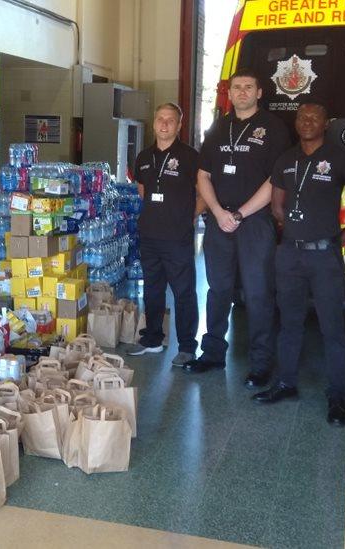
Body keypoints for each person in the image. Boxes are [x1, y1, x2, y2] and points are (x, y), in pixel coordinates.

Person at [253, 103, 345, 426]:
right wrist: (294, 232)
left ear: (326, 123)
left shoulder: (339, 158)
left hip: (324, 256)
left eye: (314, 117)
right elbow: (277, 205)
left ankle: (337, 396)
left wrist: (341, 238)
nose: (307, 122)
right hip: (290, 254)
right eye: (302, 117)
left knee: (332, 327)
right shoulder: (286, 159)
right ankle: (286, 382)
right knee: (289, 323)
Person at [185, 67, 291, 388]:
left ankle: (260, 364)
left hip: (255, 223)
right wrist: (217, 212)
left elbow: (276, 180)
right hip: (219, 222)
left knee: (259, 294)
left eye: (248, 87)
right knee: (218, 290)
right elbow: (203, 175)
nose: (242, 92)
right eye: (236, 87)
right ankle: (213, 353)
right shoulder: (218, 128)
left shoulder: (274, 128)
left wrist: (241, 214)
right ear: (228, 94)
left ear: (260, 92)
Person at [126, 102, 203, 366]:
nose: (165, 124)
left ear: (179, 125)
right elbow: (141, 189)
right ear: (154, 121)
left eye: (171, 120)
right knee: (153, 289)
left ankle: (187, 347)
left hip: (178, 238)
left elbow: (203, 193)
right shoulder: (144, 157)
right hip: (149, 235)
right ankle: (152, 340)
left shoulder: (191, 157)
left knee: (184, 292)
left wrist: (188, 216)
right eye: (160, 119)